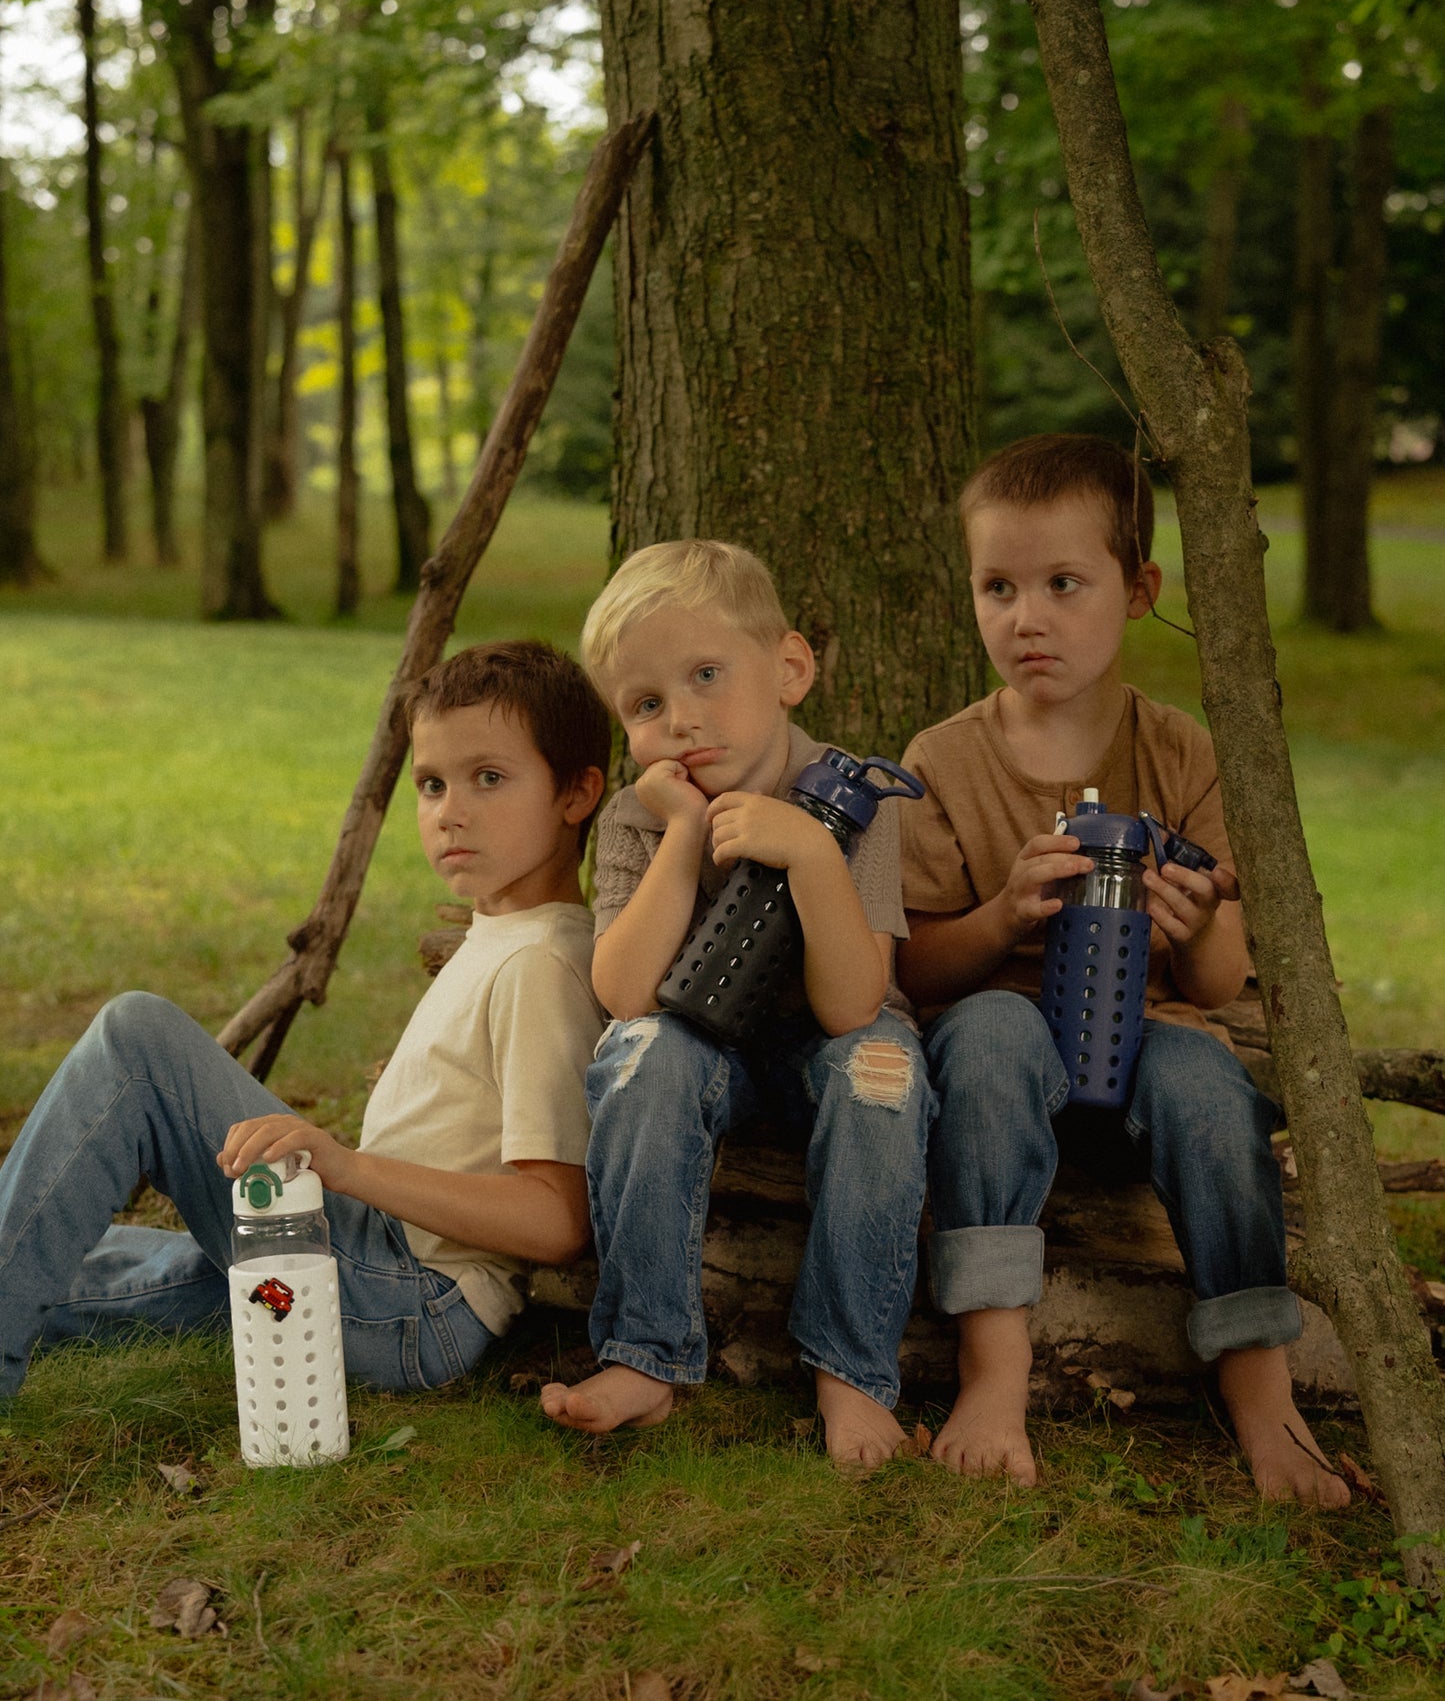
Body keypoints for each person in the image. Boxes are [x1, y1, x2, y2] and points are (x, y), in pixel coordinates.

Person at [896, 434, 1349, 1506]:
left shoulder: (1179, 752)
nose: (1026, 618)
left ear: (1138, 590)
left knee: (1208, 1090)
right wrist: (1004, 909)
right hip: (994, 1045)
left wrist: (1191, 921)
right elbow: (914, 966)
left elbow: (1213, 986)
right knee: (995, 1037)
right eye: (997, 587)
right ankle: (993, 1371)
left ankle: (1258, 1391)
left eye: (1063, 584)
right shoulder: (943, 760)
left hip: (1141, 1037)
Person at [0, 640, 610, 1401]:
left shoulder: (540, 965)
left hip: (407, 1303)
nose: (451, 811)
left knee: (138, 1042)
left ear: (576, 793)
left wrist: (347, 1166)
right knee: (96, 1259)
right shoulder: (507, 936)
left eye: (489, 778)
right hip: (370, 1276)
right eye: (430, 783)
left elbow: (555, 1219)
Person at [539, 540, 934, 1469]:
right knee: (642, 1055)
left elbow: (850, 1005)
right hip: (700, 1044)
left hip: (827, 1044)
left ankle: (850, 1366)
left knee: (882, 1068)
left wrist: (809, 852)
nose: (681, 719)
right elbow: (625, 993)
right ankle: (645, 1353)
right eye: (645, 704)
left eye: (706, 674)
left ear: (789, 668)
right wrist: (681, 834)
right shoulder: (639, 814)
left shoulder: (851, 796)